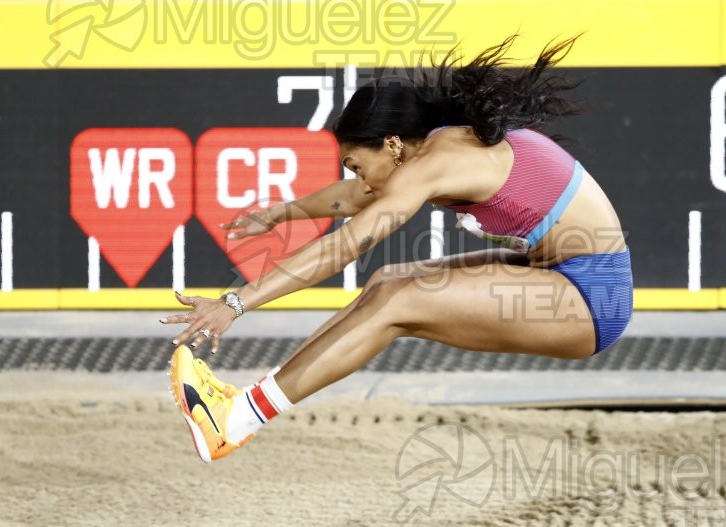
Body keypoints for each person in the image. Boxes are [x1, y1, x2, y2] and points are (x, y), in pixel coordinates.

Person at [164, 35, 633, 463]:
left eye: (356, 164)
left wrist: (235, 302)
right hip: (563, 275)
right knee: (388, 282)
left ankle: (237, 419)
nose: (358, 178)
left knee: (397, 299)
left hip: (591, 298)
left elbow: (347, 244)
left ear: (391, 144)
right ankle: (240, 404)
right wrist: (281, 212)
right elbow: (353, 198)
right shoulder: (435, 150)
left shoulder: (441, 158)